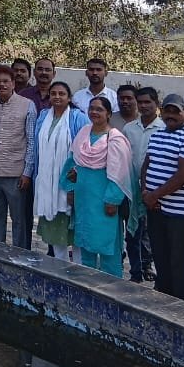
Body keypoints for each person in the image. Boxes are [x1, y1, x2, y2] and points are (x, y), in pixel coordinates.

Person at [61, 96, 136, 277]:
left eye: (99, 109)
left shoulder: (115, 139)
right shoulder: (84, 133)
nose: (94, 112)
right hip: (84, 201)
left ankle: (112, 289)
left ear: (109, 113)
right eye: (92, 108)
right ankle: (88, 285)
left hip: (105, 203)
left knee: (107, 247)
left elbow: (120, 174)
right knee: (85, 244)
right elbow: (71, 164)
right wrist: (69, 188)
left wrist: (112, 200)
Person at [140, 93, 184, 301]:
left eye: (175, 111)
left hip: (180, 212)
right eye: (167, 110)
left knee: (179, 259)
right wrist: (145, 192)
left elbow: (183, 176)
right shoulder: (157, 135)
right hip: (156, 208)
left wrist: (154, 195)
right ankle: (164, 296)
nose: (170, 115)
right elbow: (147, 165)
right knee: (160, 255)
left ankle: (180, 303)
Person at [0, 64, 39, 248]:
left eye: (6, 81)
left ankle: (19, 254)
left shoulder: (27, 106)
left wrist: (27, 172)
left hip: (16, 175)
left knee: (18, 219)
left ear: (13, 83)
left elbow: (31, 142)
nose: (2, 85)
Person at [33, 81, 89, 258]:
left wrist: (76, 181)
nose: (57, 97)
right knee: (55, 233)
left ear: (69, 97)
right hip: (47, 184)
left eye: (61, 94)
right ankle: (60, 267)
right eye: (53, 93)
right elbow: (36, 148)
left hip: (70, 182)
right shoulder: (43, 116)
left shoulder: (78, 118)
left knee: (76, 232)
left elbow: (86, 149)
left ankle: (80, 272)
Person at [122, 87, 164, 283]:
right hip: (131, 187)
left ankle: (150, 266)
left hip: (156, 190)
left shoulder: (164, 129)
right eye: (141, 102)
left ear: (156, 103)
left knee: (153, 233)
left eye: (148, 102)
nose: (144, 106)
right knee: (133, 232)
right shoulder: (129, 129)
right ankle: (135, 272)